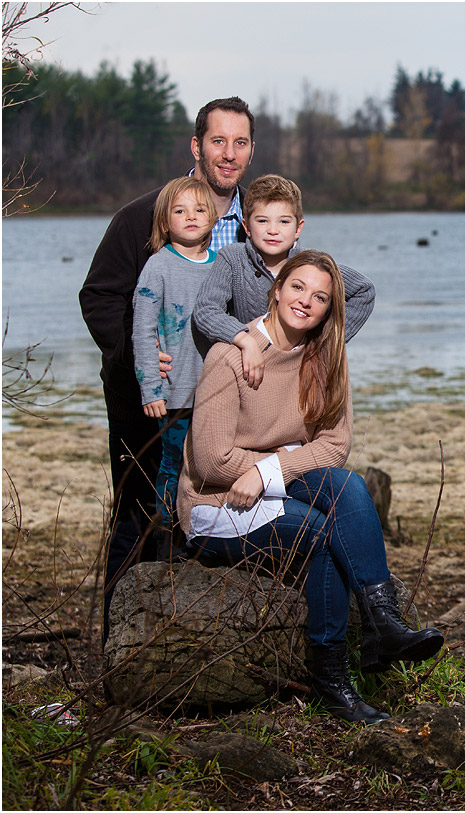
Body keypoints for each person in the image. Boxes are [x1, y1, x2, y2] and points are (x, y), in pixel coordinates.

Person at [178, 250, 442, 724]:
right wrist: (276, 465)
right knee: (323, 534)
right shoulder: (229, 356)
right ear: (276, 289)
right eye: (297, 287)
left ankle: (382, 624)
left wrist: (266, 471)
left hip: (272, 484)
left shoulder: (324, 360)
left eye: (320, 297)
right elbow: (212, 460)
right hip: (217, 502)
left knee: (349, 486)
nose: (305, 302)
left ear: (329, 309)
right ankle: (336, 677)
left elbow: (336, 446)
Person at [79, 97, 255, 636]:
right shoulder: (145, 217)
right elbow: (100, 297)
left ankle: (192, 650)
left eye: (240, 142)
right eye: (218, 141)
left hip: (227, 405)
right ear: (196, 146)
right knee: (139, 516)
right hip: (149, 401)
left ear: (251, 150)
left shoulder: (260, 225)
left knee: (210, 512)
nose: (228, 155)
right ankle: (120, 652)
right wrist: (138, 356)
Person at [192, 174, 375, 390]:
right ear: (246, 226)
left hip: (296, 374)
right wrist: (244, 339)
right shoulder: (232, 258)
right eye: (262, 220)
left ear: (298, 228)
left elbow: (364, 290)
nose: (273, 230)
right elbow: (206, 310)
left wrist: (325, 345)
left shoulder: (310, 265)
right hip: (248, 371)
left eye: (284, 221)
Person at [131, 176, 218, 528]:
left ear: (212, 218)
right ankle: (168, 533)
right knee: (174, 462)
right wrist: (151, 388)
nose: (191, 216)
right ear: (166, 222)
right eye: (180, 211)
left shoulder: (220, 265)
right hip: (176, 392)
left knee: (210, 464)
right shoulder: (158, 267)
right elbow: (142, 331)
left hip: (216, 389)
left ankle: (207, 528)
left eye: (199, 210)